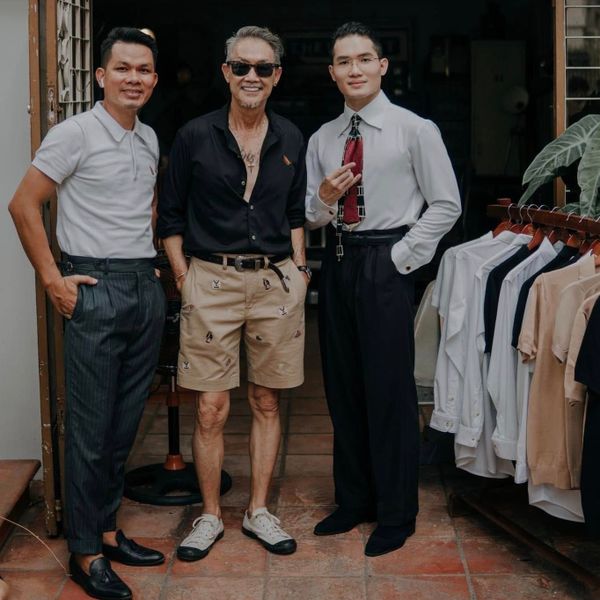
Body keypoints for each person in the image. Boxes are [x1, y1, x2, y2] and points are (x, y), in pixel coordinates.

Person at [8, 27, 166, 600]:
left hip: (141, 287)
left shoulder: (148, 137)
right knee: (90, 432)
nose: (133, 79)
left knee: (123, 427)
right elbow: (23, 204)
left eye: (143, 70)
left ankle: (107, 530)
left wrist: (147, 265)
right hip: (93, 288)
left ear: (154, 79)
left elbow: (142, 206)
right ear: (101, 75)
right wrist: (54, 280)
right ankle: (84, 552)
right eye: (122, 68)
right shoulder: (74, 132)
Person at [305, 22, 461, 557]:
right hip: (338, 259)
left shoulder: (414, 130)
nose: (355, 69)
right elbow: (309, 215)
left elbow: (446, 204)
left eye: (364, 59)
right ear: (332, 72)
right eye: (344, 61)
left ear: (382, 66)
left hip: (386, 260)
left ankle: (396, 513)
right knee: (342, 385)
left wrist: (400, 258)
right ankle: (353, 501)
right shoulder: (323, 138)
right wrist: (324, 199)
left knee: (389, 391)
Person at [158, 25, 308, 560]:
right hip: (210, 280)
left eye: (262, 68)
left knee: (267, 399)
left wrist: (301, 271)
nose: (251, 76)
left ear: (276, 76)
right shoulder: (194, 135)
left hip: (275, 282)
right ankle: (208, 515)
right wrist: (184, 278)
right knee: (210, 408)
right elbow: (170, 216)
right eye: (241, 66)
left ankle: (258, 510)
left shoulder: (291, 137)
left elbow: (295, 212)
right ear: (225, 72)